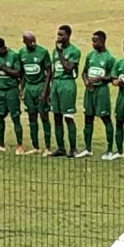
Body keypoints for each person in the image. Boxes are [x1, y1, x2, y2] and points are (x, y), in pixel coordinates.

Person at [80, 30, 116, 159]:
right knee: (88, 118)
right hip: (90, 91)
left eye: (95, 41)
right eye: (92, 41)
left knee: (105, 118)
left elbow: (112, 77)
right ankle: (87, 149)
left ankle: (110, 150)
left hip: (101, 91)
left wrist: (100, 78)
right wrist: (86, 82)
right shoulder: (90, 55)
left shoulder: (110, 58)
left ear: (102, 41)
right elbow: (84, 72)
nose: (93, 44)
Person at [49, 25, 81, 158]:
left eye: (61, 35)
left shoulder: (74, 51)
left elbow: (68, 68)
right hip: (56, 84)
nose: (59, 37)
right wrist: (49, 89)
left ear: (68, 35)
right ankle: (60, 148)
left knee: (68, 117)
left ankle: (73, 148)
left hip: (67, 84)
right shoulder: (54, 51)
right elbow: (53, 70)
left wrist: (60, 53)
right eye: (58, 34)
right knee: (56, 117)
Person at [18, 31, 52, 155]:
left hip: (40, 86)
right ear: (24, 41)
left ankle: (47, 147)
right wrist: (21, 89)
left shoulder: (43, 52)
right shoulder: (21, 53)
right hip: (29, 88)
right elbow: (23, 73)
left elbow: (49, 72)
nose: (32, 44)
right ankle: (35, 146)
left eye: (33, 41)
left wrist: (45, 91)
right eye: (29, 41)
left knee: (44, 116)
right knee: (31, 117)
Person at [0, 38, 25, 154]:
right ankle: (0, 144)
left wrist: (2, 67)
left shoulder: (14, 55)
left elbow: (18, 73)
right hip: (0, 91)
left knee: (15, 117)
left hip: (12, 91)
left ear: (3, 48)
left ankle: (20, 145)